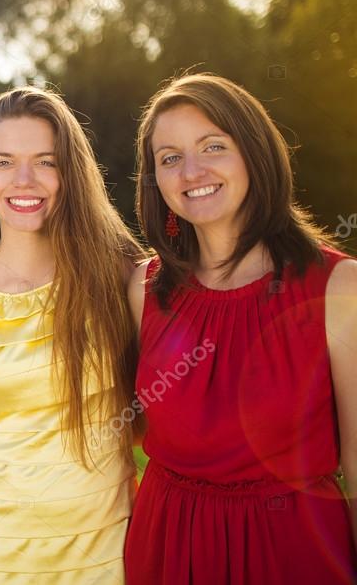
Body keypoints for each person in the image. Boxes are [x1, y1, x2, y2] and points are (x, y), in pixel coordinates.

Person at [124, 73, 357, 584]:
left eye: (213, 146)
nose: (192, 170)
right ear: (156, 181)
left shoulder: (338, 289)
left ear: (254, 152)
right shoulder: (143, 290)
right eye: (169, 157)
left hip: (295, 553)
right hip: (167, 551)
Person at [0, 87, 142, 584]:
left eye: (46, 161)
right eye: (4, 162)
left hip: (104, 542)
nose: (24, 179)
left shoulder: (121, 278)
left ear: (70, 175)